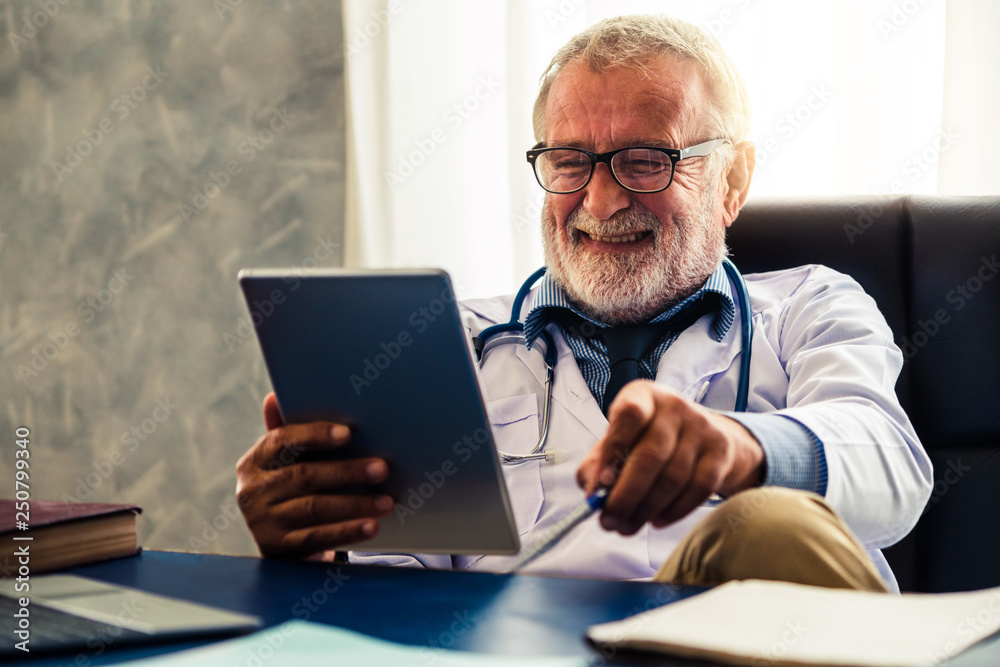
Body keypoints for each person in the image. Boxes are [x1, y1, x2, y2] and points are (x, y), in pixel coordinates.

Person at [235, 14, 932, 592]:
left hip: (759, 645)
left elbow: (892, 468)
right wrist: (316, 541)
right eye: (570, 161)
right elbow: (392, 593)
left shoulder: (811, 305)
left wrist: (737, 448)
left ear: (732, 179)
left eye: (646, 159)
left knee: (771, 528)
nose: (600, 200)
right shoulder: (447, 342)